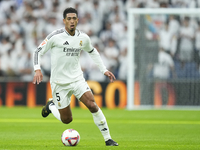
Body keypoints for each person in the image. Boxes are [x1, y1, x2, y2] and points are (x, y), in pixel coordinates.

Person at [32, 7, 118, 146]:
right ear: (64, 21)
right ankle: (51, 105)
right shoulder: (55, 36)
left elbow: (93, 51)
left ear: (77, 20)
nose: (72, 21)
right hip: (59, 83)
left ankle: (108, 139)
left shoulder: (83, 38)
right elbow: (38, 51)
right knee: (67, 120)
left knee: (92, 105)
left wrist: (104, 69)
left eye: (74, 18)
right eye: (69, 19)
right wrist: (37, 69)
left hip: (77, 79)